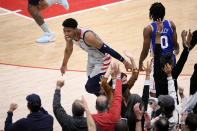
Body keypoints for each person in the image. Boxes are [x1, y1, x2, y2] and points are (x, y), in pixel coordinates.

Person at [60, 18, 132, 96]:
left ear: (75, 29)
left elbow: (107, 49)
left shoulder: (88, 37)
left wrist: (125, 62)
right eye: (64, 31)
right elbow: (68, 49)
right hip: (91, 57)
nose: (66, 34)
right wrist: (64, 64)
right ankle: (106, 102)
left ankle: (117, 86)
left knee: (90, 87)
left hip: (103, 59)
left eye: (68, 31)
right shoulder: (69, 37)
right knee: (93, 84)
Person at [138, 2, 180, 95]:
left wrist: (140, 62)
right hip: (171, 60)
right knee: (171, 86)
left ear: (151, 14)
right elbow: (175, 44)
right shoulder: (171, 24)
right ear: (163, 13)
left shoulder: (148, 29)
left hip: (158, 62)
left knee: (154, 92)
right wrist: (177, 50)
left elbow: (145, 51)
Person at [91, 61, 122, 131]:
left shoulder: (92, 119)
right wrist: (117, 76)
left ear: (95, 107)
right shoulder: (109, 92)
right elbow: (118, 96)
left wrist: (110, 71)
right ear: (108, 105)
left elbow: (103, 83)